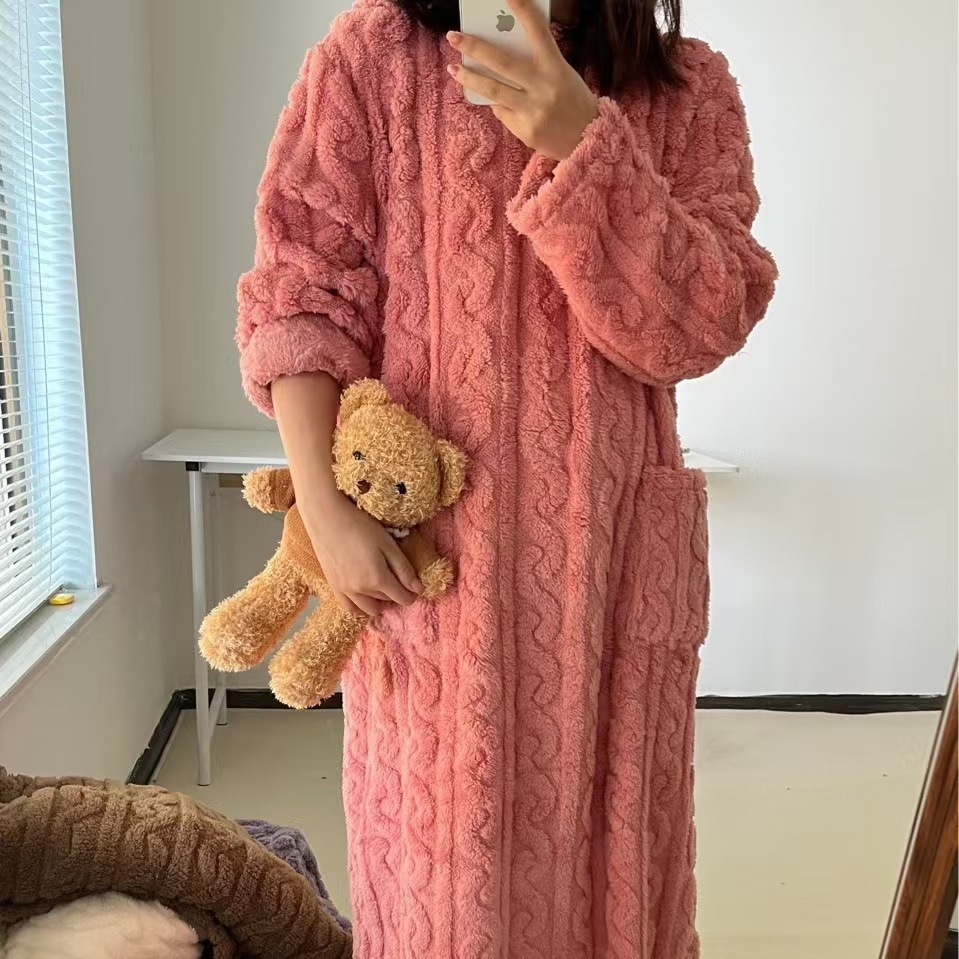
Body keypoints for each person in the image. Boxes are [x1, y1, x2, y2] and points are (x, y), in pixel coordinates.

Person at [235, 0, 777, 955]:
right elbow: (300, 292)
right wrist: (320, 507)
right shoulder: (374, 57)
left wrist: (581, 145)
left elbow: (702, 324)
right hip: (433, 567)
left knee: (616, 901)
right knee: (445, 901)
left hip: (612, 576)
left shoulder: (688, 89)